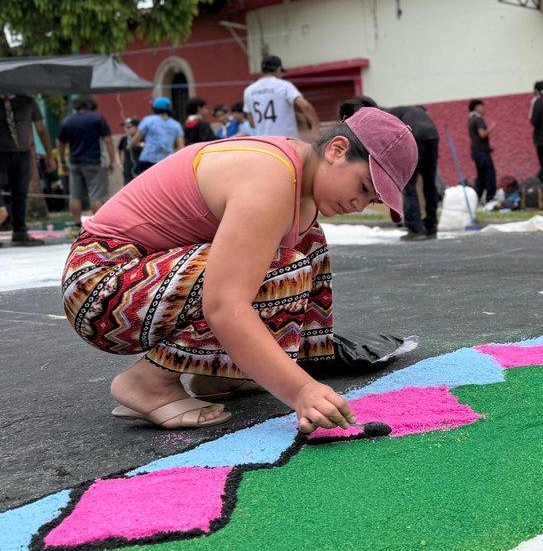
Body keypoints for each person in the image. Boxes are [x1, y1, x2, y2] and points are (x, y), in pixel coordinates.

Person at [62, 107, 417, 431]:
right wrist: (302, 390)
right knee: (281, 268)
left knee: (308, 243)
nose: (358, 205)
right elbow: (225, 306)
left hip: (136, 277)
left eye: (371, 200)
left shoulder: (298, 177)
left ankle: (219, 373)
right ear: (336, 150)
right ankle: (148, 382)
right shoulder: (272, 178)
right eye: (363, 187)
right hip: (99, 287)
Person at [0, 92, 57, 246]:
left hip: (22, 153)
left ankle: (20, 230)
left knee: (20, 192)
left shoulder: (28, 101)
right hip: (1, 152)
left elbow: (41, 129)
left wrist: (49, 155)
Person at [56, 96, 116, 227]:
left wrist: (62, 161)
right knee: (96, 195)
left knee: (75, 195)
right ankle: (99, 225)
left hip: (75, 162)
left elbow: (60, 143)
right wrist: (112, 160)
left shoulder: (68, 121)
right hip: (95, 161)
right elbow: (108, 140)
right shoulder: (97, 119)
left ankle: (77, 224)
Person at [388, 104, 441, 240]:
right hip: (432, 135)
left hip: (415, 136)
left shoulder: (385, 114)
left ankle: (416, 229)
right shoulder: (415, 112)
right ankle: (431, 226)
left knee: (408, 183)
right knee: (429, 182)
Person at [243, 55, 320, 139]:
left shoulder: (249, 90)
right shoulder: (284, 86)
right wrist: (315, 127)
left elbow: (252, 123)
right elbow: (305, 105)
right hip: (286, 141)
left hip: (265, 143)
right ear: (278, 69)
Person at [133, 97, 184, 174]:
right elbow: (181, 148)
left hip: (147, 160)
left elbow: (135, 140)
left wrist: (134, 144)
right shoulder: (176, 125)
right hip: (166, 161)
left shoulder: (148, 120)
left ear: (154, 108)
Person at [468, 98, 497, 204]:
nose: (484, 109)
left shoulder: (471, 119)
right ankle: (490, 197)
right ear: (476, 107)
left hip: (476, 151)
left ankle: (477, 197)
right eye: (482, 106)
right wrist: (492, 127)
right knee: (489, 173)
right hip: (482, 151)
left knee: (481, 175)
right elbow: (482, 134)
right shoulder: (478, 119)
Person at [117, 118, 142, 185]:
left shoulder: (143, 138)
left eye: (129, 127)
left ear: (137, 127)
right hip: (128, 171)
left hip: (140, 170)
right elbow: (118, 150)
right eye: (125, 127)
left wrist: (137, 144)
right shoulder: (124, 139)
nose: (126, 129)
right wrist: (119, 163)